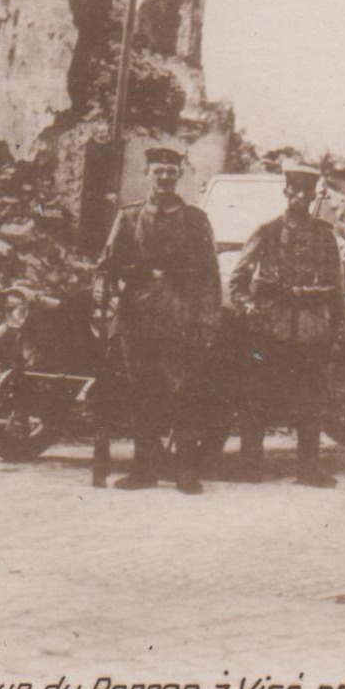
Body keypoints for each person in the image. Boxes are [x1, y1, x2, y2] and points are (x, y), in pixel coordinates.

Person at [97, 145, 221, 494]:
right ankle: (144, 470)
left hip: (180, 316)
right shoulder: (129, 217)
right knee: (143, 394)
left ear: (179, 175)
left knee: (184, 393)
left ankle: (185, 471)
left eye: (171, 171)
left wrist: (208, 319)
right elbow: (105, 266)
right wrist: (102, 301)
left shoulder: (196, 220)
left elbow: (211, 275)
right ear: (146, 174)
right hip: (137, 318)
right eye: (158, 171)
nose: (164, 177)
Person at [229, 163, 345, 488]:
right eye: (293, 190)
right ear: (285, 192)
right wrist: (249, 306)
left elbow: (337, 288)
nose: (298, 197)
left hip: (310, 330)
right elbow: (239, 279)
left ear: (311, 196)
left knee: (310, 401)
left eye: (305, 192)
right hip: (269, 330)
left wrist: (337, 331)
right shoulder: (266, 231)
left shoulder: (324, 236)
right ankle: (250, 467)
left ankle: (308, 471)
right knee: (256, 398)